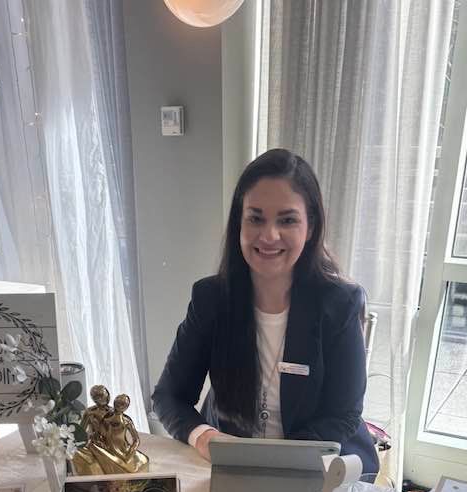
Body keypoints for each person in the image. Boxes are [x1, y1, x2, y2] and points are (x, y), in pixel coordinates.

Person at [152, 148, 379, 475]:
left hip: (320, 465)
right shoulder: (211, 298)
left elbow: (342, 415)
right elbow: (168, 396)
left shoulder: (340, 302)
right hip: (235, 466)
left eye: (287, 220)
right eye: (255, 218)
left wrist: (276, 462)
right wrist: (205, 438)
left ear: (310, 226)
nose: (269, 235)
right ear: (238, 223)